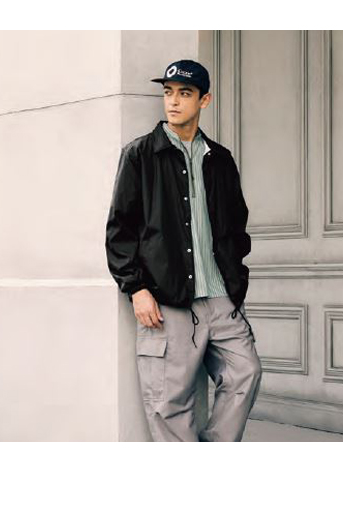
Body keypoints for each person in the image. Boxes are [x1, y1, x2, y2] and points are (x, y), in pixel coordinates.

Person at [105, 59, 263, 444]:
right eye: (168, 92)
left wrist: (235, 282)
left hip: (220, 299)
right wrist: (136, 288)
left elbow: (236, 227)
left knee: (246, 373)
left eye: (185, 94)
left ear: (204, 100)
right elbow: (120, 229)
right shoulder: (140, 155)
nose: (173, 102)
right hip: (168, 302)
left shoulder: (220, 160)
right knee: (168, 402)